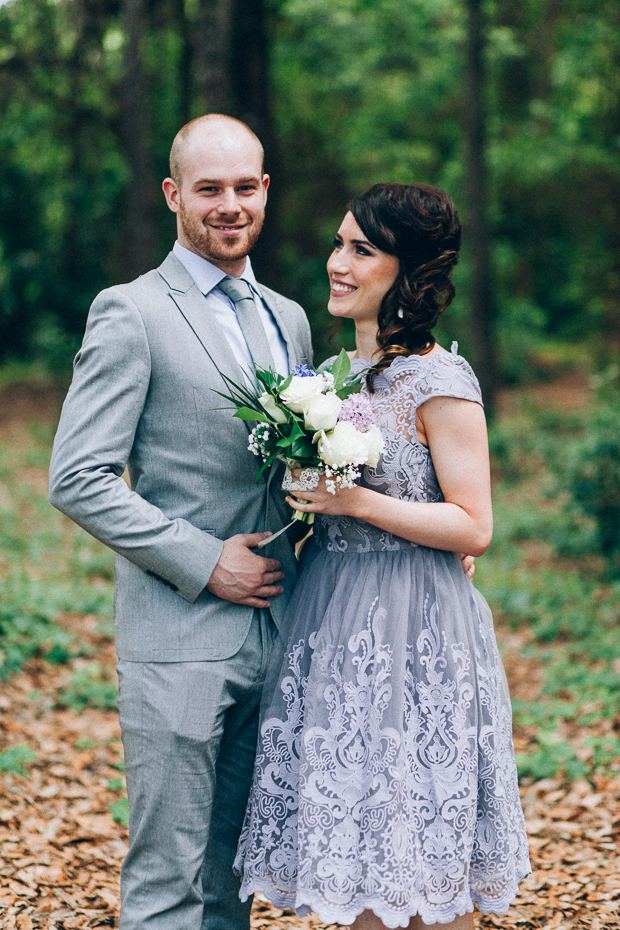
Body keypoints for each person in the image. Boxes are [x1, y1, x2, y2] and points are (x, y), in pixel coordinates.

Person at [234, 182, 531, 930]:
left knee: (421, 858)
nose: (338, 262)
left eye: (362, 250)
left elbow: (474, 525)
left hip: (419, 632)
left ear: (408, 271)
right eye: (339, 244)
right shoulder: (335, 379)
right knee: (356, 853)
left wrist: (356, 502)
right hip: (335, 616)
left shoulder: (440, 381)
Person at [48, 114, 314, 930]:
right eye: (209, 190)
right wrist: (205, 560)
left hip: (279, 632)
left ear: (265, 191)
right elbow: (78, 476)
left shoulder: (291, 317)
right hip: (178, 638)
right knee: (166, 885)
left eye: (244, 187)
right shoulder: (130, 312)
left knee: (231, 886)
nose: (229, 205)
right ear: (174, 196)